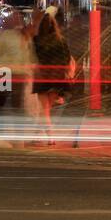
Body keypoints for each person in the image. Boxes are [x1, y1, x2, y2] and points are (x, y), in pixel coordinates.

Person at [31, 8, 72, 144]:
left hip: (42, 77)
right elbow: (67, 59)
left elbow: (33, 58)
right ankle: (37, 134)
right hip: (56, 78)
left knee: (45, 109)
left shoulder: (37, 40)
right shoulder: (61, 40)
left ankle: (50, 137)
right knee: (46, 109)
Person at [0, 11, 34, 141]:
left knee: (0, 103)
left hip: (5, 72)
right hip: (20, 74)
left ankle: (1, 132)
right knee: (17, 105)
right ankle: (18, 134)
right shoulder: (25, 35)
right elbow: (29, 56)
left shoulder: (5, 35)